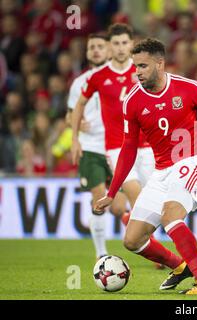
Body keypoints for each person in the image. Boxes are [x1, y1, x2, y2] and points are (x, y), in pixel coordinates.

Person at [94, 38, 197, 295]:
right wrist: (112, 193)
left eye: (143, 66)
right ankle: (180, 266)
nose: (137, 72)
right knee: (132, 240)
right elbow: (128, 150)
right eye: (135, 66)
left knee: (171, 215)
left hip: (192, 160)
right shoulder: (133, 101)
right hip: (162, 172)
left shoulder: (187, 88)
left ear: (160, 63)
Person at [71, 23, 155, 216]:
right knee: (135, 194)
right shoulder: (98, 77)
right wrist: (75, 138)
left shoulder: (143, 72)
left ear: (131, 44)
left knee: (152, 202)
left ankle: (142, 241)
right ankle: (142, 241)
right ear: (110, 46)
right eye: (116, 43)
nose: (120, 47)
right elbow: (79, 105)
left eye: (124, 42)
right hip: (118, 148)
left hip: (147, 147)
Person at [66, 33, 129, 260]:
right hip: (91, 147)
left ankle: (143, 239)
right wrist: (75, 133)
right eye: (91, 47)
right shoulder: (79, 82)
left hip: (118, 147)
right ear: (86, 52)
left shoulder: (126, 76)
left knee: (119, 207)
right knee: (98, 198)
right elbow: (70, 114)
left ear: (109, 50)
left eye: (100, 46)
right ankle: (101, 254)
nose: (95, 50)